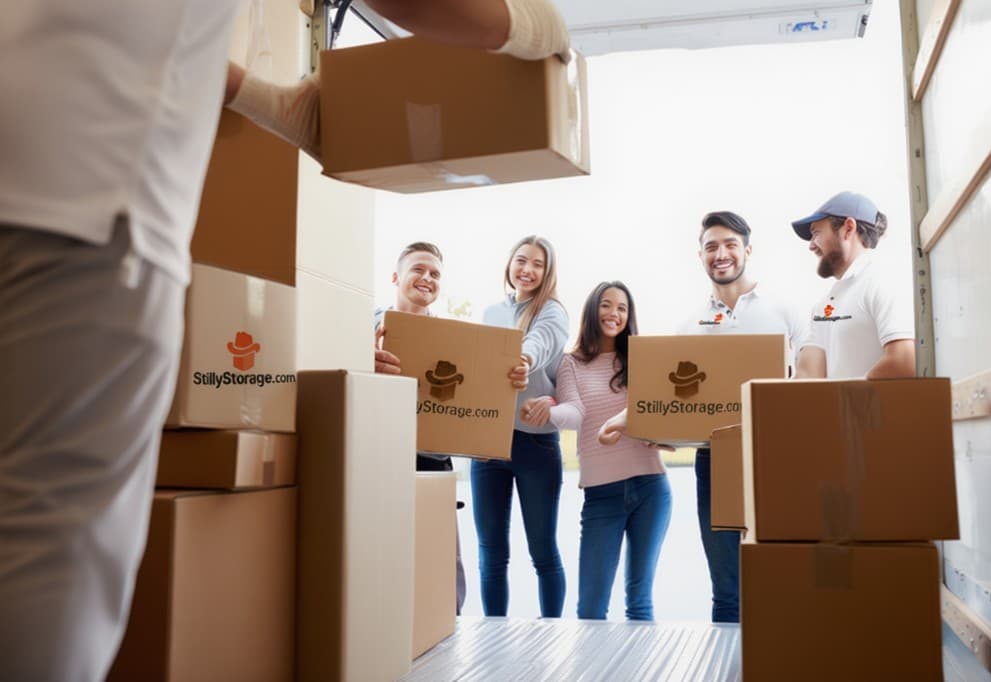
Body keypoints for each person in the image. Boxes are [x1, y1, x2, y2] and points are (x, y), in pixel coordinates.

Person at [0, 1, 570, 678]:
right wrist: (528, 25)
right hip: (84, 212)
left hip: (41, 175)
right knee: (50, 551)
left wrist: (265, 100)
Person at [599, 210, 807, 623]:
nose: (721, 253)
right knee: (726, 585)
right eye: (711, 246)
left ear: (748, 250)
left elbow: (808, 381)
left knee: (782, 572)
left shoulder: (784, 311)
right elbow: (668, 396)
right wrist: (630, 420)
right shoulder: (690, 324)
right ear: (701, 256)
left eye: (730, 244)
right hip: (716, 460)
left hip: (776, 454)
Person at [522, 281, 671, 621]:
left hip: (651, 486)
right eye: (606, 305)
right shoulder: (571, 364)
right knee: (590, 609)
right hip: (602, 495)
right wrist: (550, 412)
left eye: (622, 308)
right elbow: (574, 413)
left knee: (640, 601)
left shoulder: (641, 358)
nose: (614, 314)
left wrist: (657, 432)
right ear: (592, 309)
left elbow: (658, 411)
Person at [473, 235, 569, 617]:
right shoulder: (491, 312)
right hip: (488, 443)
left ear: (548, 273)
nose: (527, 270)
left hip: (536, 446)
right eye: (521, 260)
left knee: (542, 550)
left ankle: (553, 631)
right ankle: (493, 633)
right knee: (491, 552)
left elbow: (539, 342)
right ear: (509, 264)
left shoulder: (553, 311)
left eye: (538, 264)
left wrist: (523, 360)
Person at [372, 241, 469, 615]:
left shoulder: (451, 338)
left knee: (443, 563)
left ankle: (447, 634)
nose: (427, 278)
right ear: (396, 277)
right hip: (379, 457)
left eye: (435, 274)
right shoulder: (366, 326)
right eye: (418, 269)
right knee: (384, 558)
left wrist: (511, 374)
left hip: (432, 459)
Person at [791, 191, 916, 379]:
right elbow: (809, 376)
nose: (811, 245)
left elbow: (904, 361)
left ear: (848, 228)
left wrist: (843, 399)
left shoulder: (884, 281)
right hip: (841, 407)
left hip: (870, 408)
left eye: (816, 233)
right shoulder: (824, 304)